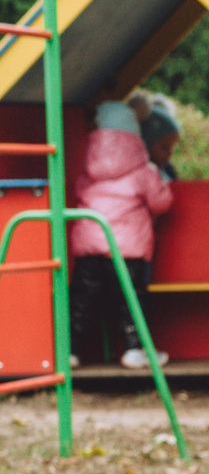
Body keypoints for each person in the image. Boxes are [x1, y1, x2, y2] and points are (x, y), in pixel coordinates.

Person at [68, 97, 174, 368]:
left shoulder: (87, 166)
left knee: (82, 300)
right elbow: (161, 203)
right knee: (129, 300)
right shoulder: (143, 170)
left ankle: (71, 351)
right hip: (126, 248)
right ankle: (132, 350)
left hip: (89, 244)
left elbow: (79, 192)